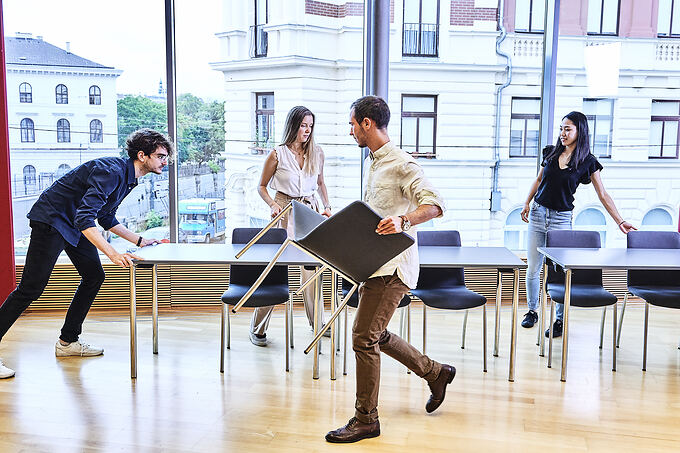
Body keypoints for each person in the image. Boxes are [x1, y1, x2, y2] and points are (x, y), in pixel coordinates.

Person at [325, 96, 454, 444]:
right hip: (374, 264)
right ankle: (435, 372)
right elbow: (377, 216)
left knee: (363, 336)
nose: (350, 130)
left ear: (367, 123)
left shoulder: (401, 163)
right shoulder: (374, 163)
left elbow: (435, 204)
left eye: (352, 124)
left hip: (394, 267)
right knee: (374, 333)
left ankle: (366, 419)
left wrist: (404, 220)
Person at [0, 129, 173, 379]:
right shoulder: (112, 172)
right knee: (30, 289)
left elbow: (105, 217)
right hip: (52, 220)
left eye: (166, 157)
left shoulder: (128, 178)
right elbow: (85, 218)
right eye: (160, 156)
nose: (165, 162)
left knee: (94, 275)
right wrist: (112, 253)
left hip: (73, 223)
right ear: (142, 155)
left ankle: (68, 341)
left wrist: (139, 240)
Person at [519, 111, 636, 337]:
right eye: (561, 128)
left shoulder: (588, 162)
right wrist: (526, 202)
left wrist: (619, 220)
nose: (562, 133)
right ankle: (532, 311)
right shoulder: (551, 152)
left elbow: (603, 194)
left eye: (568, 129)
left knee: (560, 271)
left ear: (579, 131)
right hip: (537, 214)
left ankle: (559, 320)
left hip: (561, 219)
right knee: (533, 268)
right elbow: (539, 179)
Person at [250, 106, 332, 347]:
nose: (307, 130)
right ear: (293, 125)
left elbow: (320, 182)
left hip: (310, 210)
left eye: (310, 126)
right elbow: (262, 186)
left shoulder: (317, 153)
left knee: (311, 268)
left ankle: (317, 323)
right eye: (303, 125)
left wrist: (327, 206)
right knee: (275, 268)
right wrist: (272, 204)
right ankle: (258, 328)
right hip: (284, 208)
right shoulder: (277, 154)